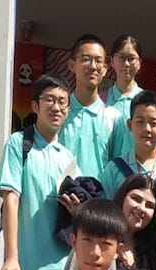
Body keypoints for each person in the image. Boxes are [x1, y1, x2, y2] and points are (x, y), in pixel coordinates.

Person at [0, 74, 77, 270]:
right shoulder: (19, 144)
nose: (56, 107)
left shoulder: (67, 157)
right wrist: (11, 257)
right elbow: (11, 198)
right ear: (35, 106)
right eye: (50, 100)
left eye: (63, 102)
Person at [61, 34, 123, 181]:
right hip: (57, 199)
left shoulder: (114, 118)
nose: (93, 66)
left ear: (105, 69)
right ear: (71, 65)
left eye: (98, 61)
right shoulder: (59, 112)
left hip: (98, 201)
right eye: (85, 59)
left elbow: (118, 169)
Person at [100, 91, 156, 197]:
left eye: (153, 123)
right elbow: (104, 211)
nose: (147, 129)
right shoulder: (114, 169)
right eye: (140, 122)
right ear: (130, 125)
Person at [111, 173, 156, 270]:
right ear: (122, 198)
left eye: (150, 205)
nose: (142, 208)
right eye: (136, 199)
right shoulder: (99, 236)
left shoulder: (150, 251)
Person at [105, 34, 145, 157]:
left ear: (139, 63)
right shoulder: (101, 100)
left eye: (131, 58)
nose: (126, 64)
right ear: (112, 61)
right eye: (121, 57)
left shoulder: (146, 101)